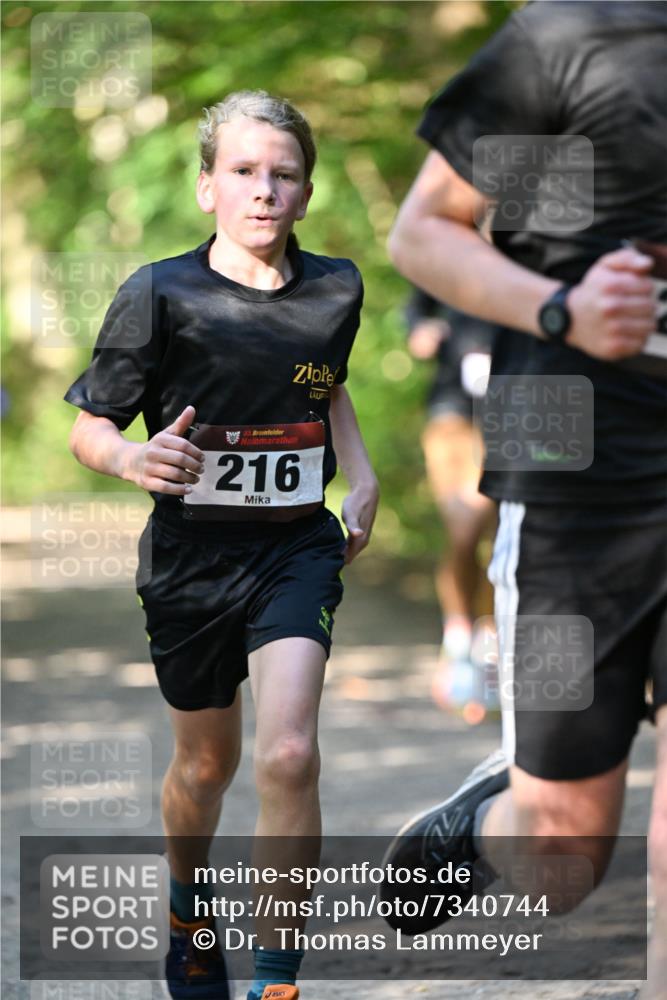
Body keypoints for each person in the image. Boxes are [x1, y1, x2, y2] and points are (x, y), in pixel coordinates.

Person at [64, 90, 379, 1000]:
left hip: (295, 549)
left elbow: (325, 385)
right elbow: (90, 426)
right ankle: (187, 903)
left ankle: (275, 978)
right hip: (192, 562)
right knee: (206, 767)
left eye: (283, 175)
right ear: (207, 187)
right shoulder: (160, 293)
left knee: (288, 754)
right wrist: (132, 457)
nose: (263, 191)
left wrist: (359, 474)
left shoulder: (336, 288)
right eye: (242, 172)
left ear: (307, 193)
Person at [382, 3, 666, 998]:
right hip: (570, 467)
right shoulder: (571, 37)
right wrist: (563, 309)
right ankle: (483, 816)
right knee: (562, 856)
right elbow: (422, 231)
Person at [404, 288, 498, 723]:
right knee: (465, 528)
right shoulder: (447, 238)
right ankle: (460, 636)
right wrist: (420, 331)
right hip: (452, 410)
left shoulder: (533, 248)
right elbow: (416, 308)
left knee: (505, 540)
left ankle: (490, 651)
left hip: (515, 410)